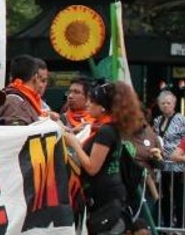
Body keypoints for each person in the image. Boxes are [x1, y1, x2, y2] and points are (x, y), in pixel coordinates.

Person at [63, 82, 149, 235]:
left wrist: (73, 143)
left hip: (107, 201)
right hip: (105, 198)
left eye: (92, 101)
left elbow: (92, 167)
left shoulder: (106, 131)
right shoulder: (105, 128)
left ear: (102, 107)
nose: (88, 104)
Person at [155, 90, 185, 228]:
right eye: (163, 103)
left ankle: (179, 225)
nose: (166, 105)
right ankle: (166, 225)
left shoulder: (181, 119)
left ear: (174, 104)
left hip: (178, 166)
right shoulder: (157, 120)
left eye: (169, 103)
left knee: (179, 196)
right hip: (162, 165)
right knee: (164, 197)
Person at [0, 54, 50, 125]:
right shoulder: (14, 102)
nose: (41, 85)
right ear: (35, 77)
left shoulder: (23, 99)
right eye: (41, 80)